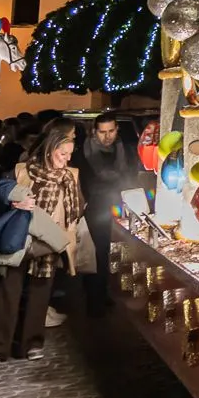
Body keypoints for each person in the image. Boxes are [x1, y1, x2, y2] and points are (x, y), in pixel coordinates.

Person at [0, 118, 90, 365]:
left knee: (41, 292)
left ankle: (32, 343)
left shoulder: (70, 176)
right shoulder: (23, 170)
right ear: (49, 149)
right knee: (8, 291)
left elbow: (78, 208)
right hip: (19, 237)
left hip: (49, 240)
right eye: (62, 154)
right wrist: (15, 202)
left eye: (69, 154)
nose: (66, 159)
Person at [75, 115, 134, 316]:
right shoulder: (84, 152)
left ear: (117, 129)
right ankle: (94, 298)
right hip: (95, 208)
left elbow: (129, 175)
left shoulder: (124, 149)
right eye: (102, 132)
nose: (107, 137)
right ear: (94, 132)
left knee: (112, 251)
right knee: (96, 252)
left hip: (118, 205)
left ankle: (103, 292)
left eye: (111, 131)